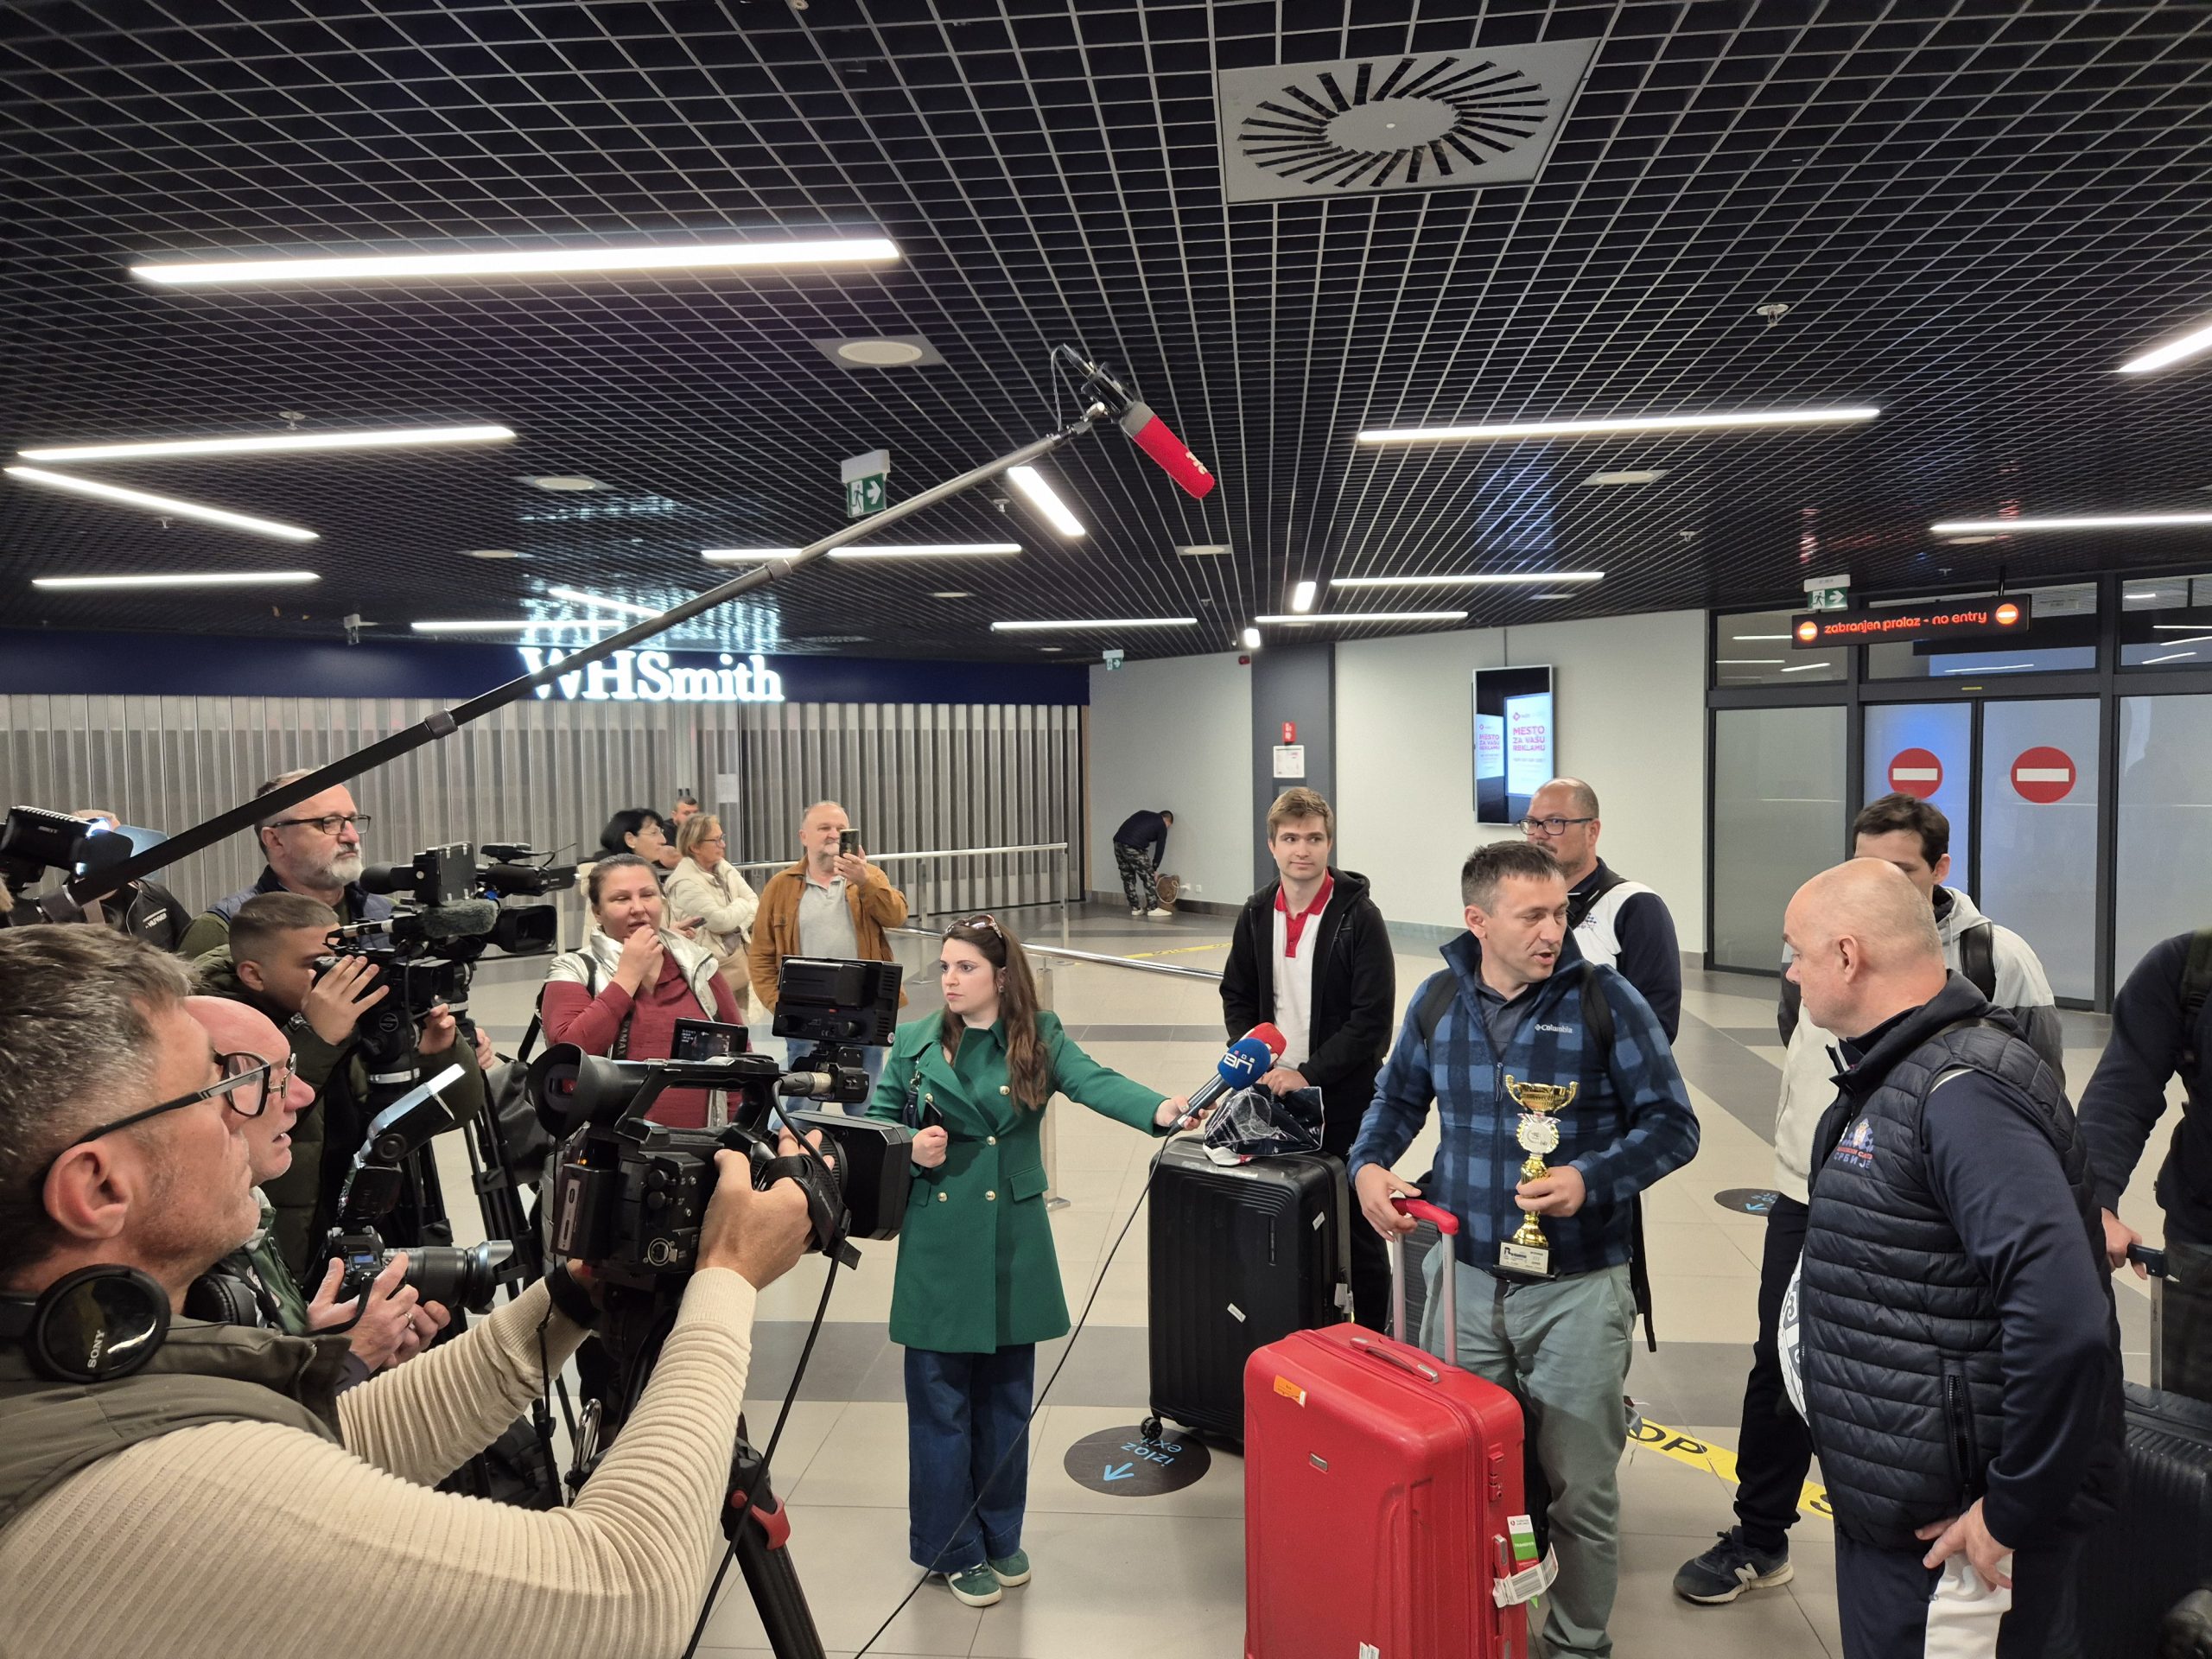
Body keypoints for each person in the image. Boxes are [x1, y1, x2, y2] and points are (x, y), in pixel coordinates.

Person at [0, 925, 818, 1659]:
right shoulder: (146, 1488)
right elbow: (626, 1594)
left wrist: (572, 1299)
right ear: (99, 1186)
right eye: (219, 1088)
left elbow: (340, 1440)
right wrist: (726, 1279)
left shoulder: (66, 1363)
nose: (275, 1103)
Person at [1676, 791, 2066, 1606]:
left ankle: (1953, 1526)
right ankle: (1760, 1534)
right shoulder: (1821, 945)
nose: (1878, 881)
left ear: (1940, 870)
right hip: (1810, 1190)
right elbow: (1805, 1033)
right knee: (1786, 1360)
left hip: (1926, 1207)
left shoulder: (1996, 959)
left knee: (1914, 1369)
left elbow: (2036, 1091)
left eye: (1901, 868)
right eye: (1863, 863)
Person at [1349, 840, 1700, 1659]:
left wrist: (1590, 1177)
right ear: (1477, 921)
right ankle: (1475, 1628)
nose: (1554, 931)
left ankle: (1577, 1642)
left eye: (1561, 912)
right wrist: (1366, 1165)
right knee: (1464, 1473)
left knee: (1580, 1490)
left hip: (1577, 1287)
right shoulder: (1439, 999)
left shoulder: (1607, 1000)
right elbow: (1396, 1099)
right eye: (1532, 915)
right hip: (1465, 1279)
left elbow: (1673, 1126)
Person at [1781, 859, 2119, 1659]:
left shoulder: (1962, 1093)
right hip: (1899, 1505)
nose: (1790, 973)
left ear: (1848, 955)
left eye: (1797, 952)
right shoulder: (1896, 1072)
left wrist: (2012, 1507)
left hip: (1958, 1543)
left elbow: (2065, 1319)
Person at [867, 916, 1194, 1608]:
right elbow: (875, 1124)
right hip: (939, 1243)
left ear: (1001, 975)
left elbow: (1095, 1082)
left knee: (1007, 1403)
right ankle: (951, 1548)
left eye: (965, 968)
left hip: (1013, 1239)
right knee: (941, 1406)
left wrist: (1159, 1109)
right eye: (945, 967)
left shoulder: (1039, 1036)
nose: (949, 980)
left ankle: (999, 1532)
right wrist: (908, 1148)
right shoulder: (914, 1042)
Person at [194, 891, 486, 1280]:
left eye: (344, 956)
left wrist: (441, 1055)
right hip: (282, 1251)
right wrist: (315, 1036)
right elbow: (243, 1130)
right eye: (318, 965)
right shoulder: (211, 1031)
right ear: (254, 975)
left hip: (364, 1225)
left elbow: (452, 1115)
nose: (339, 975)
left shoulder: (359, 1016)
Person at [183, 995, 445, 1373]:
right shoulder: (179, 1259)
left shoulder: (251, 1211)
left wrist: (362, 1362)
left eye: (289, 1069)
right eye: (263, 1079)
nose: (303, 1095)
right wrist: (337, 1363)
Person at [1220, 786, 1396, 1328]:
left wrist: (1308, 1074)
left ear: (1329, 843)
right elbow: (1237, 995)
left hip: (1341, 1097)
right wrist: (1254, 1057)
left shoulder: (1359, 917)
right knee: (1281, 1220)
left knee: (1356, 1229)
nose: (1303, 849)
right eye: (1291, 838)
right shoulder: (1256, 912)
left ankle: (1375, 1339)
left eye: (1314, 838)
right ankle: (1296, 1335)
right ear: (1272, 845)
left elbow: (1370, 1021)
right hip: (1270, 1095)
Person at [2077, 927, 2212, 1401]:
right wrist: (2095, 1202)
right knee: (2192, 1424)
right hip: (2203, 1244)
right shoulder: (2191, 967)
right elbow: (2124, 1090)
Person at [542, 855, 741, 1129]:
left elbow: (740, 1057)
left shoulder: (698, 965)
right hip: (609, 1146)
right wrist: (627, 978)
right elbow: (569, 1056)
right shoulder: (573, 969)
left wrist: (731, 1130)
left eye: (648, 895)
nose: (638, 908)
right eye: (621, 899)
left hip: (703, 1143)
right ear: (597, 911)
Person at [748, 801, 909, 1093]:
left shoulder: (869, 877)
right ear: (804, 836)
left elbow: (895, 916)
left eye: (840, 828)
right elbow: (760, 954)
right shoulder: (780, 887)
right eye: (824, 828)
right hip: (804, 1010)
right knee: (801, 1096)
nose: (834, 834)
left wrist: (865, 881)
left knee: (864, 1096)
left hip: (863, 1009)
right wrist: (778, 1003)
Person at [1522, 778, 1681, 1040]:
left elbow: (1656, 1024)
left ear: (1592, 831)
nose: (1539, 834)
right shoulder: (1513, 904)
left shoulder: (1634, 906)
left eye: (1555, 822)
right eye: (1532, 823)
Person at [176, 768, 391, 957]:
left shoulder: (389, 914)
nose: (352, 837)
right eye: (329, 823)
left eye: (351, 821)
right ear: (275, 840)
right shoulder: (222, 929)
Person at [664, 812, 759, 1025]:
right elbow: (719, 922)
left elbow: (755, 901)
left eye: (722, 837)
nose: (723, 844)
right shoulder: (684, 882)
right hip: (710, 969)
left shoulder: (723, 866)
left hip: (738, 959)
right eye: (715, 840)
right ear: (695, 847)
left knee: (742, 1025)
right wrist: (741, 906)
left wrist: (736, 924)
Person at [1110, 806, 1173, 918]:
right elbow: (1160, 847)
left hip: (1118, 843)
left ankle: (1135, 908)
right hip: (1133, 846)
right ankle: (1153, 908)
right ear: (1167, 820)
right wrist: (1154, 868)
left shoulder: (1142, 813)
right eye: (1168, 826)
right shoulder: (1161, 824)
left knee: (1127, 877)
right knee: (1148, 876)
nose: (1167, 828)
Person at [601, 806, 679, 875]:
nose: (664, 841)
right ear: (630, 839)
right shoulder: (606, 874)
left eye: (662, 833)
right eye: (654, 833)